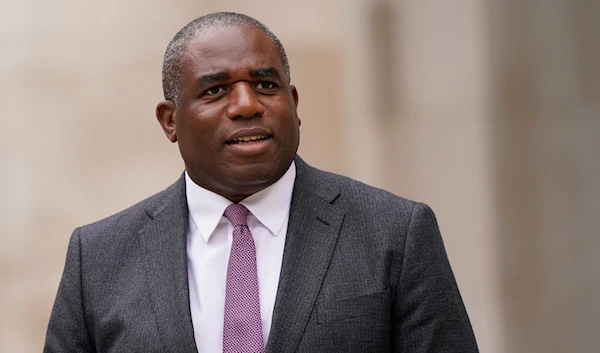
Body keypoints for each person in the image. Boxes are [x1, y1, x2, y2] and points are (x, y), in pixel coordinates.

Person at [44, 12, 478, 353]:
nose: (247, 105)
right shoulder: (98, 259)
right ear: (170, 120)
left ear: (292, 103)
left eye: (265, 84)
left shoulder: (395, 232)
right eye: (215, 91)